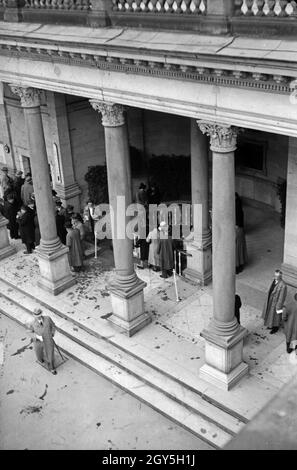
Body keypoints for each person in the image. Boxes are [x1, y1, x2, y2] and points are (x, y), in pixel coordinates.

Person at [28, 307, 57, 375]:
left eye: (39, 315)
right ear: (34, 315)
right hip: (38, 341)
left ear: (41, 314)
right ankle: (41, 360)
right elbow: (29, 332)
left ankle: (52, 368)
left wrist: (52, 333)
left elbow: (53, 326)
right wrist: (37, 336)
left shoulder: (48, 318)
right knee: (39, 354)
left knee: (50, 354)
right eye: (36, 315)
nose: (38, 317)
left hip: (48, 340)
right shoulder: (31, 322)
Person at [262, 269, 287, 334]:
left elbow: (282, 297)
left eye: (277, 276)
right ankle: (270, 325)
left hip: (276, 303)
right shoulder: (274, 281)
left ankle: (275, 328)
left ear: (280, 277)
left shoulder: (283, 285)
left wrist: (278, 306)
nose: (275, 277)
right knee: (270, 315)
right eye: (275, 275)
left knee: (275, 317)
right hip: (270, 301)